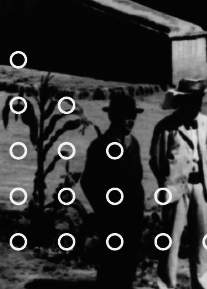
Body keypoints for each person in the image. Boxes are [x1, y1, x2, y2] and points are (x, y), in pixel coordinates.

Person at [149, 77, 207, 289]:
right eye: (193, 99)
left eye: (200, 99)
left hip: (200, 187)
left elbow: (206, 152)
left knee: (201, 241)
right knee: (171, 241)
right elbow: (156, 160)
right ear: (183, 100)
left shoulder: (205, 123)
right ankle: (166, 285)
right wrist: (168, 184)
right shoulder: (166, 127)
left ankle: (201, 284)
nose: (198, 104)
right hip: (175, 189)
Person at [79, 92, 146, 289]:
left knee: (129, 265)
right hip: (112, 219)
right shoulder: (100, 146)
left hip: (133, 218)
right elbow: (88, 182)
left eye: (133, 116)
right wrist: (104, 209)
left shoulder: (133, 144)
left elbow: (137, 178)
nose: (131, 121)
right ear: (113, 117)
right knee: (111, 266)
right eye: (126, 116)